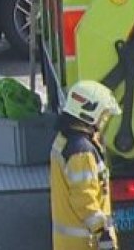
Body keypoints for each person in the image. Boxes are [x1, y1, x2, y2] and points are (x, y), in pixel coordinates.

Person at [50, 80, 120, 250]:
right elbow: (84, 197)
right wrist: (102, 233)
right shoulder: (82, 152)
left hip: (67, 242)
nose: (104, 120)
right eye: (103, 114)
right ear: (90, 112)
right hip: (85, 243)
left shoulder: (64, 140)